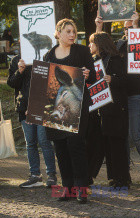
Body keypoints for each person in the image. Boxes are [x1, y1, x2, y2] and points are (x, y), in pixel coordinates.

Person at [95, 13, 140, 184]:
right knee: (122, 136)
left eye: (130, 27)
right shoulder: (119, 45)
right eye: (125, 28)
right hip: (119, 96)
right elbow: (102, 48)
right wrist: (99, 28)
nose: (127, 31)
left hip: (135, 94)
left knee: (134, 133)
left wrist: (136, 27)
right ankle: (123, 173)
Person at [43, 19, 96, 203]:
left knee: (76, 145)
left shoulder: (82, 51)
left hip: (78, 107)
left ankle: (82, 188)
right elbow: (43, 83)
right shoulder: (49, 55)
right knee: (61, 148)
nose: (72, 35)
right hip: (57, 109)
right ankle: (67, 188)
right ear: (58, 33)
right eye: (68, 31)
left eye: (74, 31)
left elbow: (94, 76)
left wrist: (88, 74)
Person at [89, 32, 131, 187]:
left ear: (99, 44)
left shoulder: (115, 59)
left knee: (116, 144)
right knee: (107, 144)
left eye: (91, 43)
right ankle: (114, 177)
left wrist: (112, 79)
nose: (90, 46)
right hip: (101, 109)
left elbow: (127, 80)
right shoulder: (94, 60)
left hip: (115, 108)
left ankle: (122, 178)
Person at [7, 55, 57, 188]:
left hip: (42, 107)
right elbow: (11, 83)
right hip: (23, 107)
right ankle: (35, 175)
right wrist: (20, 71)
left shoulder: (45, 56)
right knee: (30, 143)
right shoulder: (16, 60)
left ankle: (51, 175)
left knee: (44, 141)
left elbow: (51, 81)